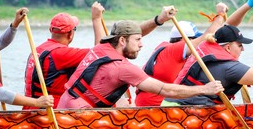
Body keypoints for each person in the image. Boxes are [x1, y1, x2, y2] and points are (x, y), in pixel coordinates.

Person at [57, 19, 224, 109]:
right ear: (122, 40)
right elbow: (166, 90)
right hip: (79, 116)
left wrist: (158, 20)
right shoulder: (124, 68)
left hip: (63, 106)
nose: (141, 44)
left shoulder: (100, 47)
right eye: (137, 40)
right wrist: (205, 89)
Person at [135, 2, 229, 106]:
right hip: (156, 106)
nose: (198, 44)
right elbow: (207, 38)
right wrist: (220, 15)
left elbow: (218, 36)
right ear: (185, 39)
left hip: (149, 102)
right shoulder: (175, 49)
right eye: (195, 39)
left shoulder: (165, 47)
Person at [23, 2, 105, 109]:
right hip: (51, 111)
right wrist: (96, 19)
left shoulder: (38, 49)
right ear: (70, 34)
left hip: (29, 107)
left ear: (51, 30)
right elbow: (102, 52)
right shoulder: (61, 54)